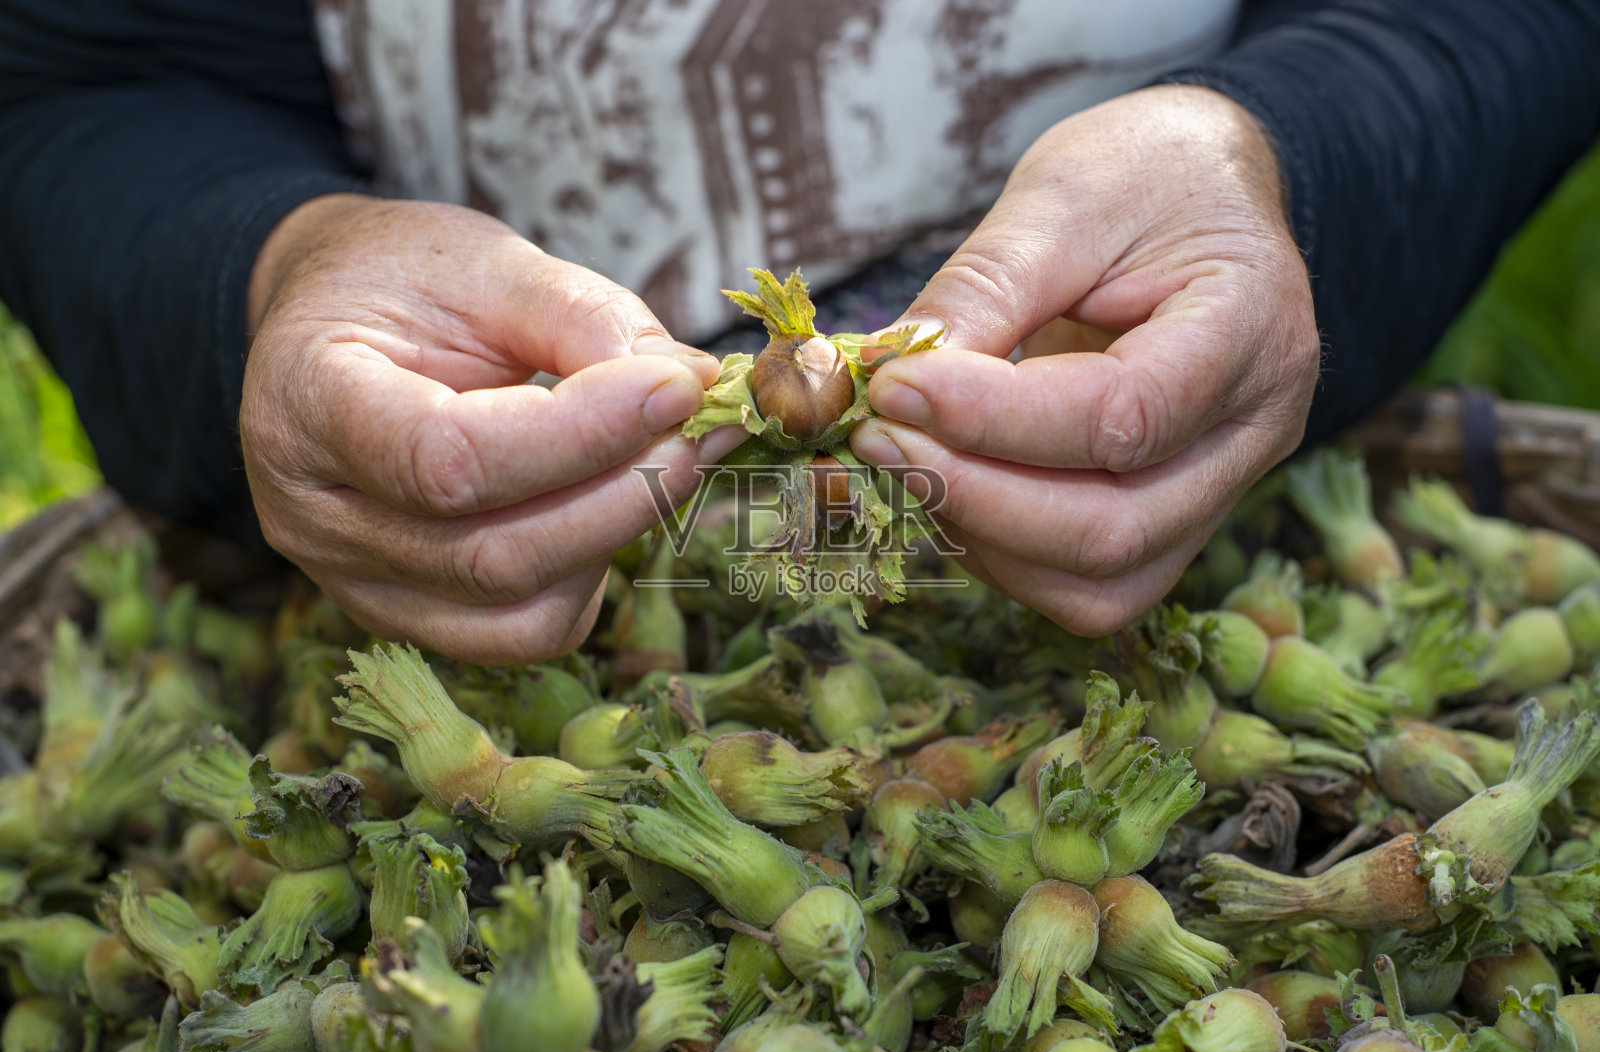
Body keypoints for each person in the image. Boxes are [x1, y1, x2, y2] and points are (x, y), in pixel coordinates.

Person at [0, 1, 1596, 665]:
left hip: (1212, 526)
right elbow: (78, 76)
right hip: (423, 595)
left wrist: (1280, 166)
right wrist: (270, 276)